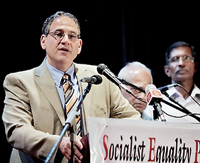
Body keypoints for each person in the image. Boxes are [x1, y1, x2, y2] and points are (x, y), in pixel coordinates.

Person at [2, 11, 141, 163]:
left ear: (79, 45)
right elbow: (16, 130)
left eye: (72, 36)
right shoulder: (20, 82)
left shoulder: (100, 78)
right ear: (43, 41)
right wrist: (58, 143)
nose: (65, 40)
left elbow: (132, 120)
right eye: (58, 34)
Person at [162, 41, 200, 123]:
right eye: (175, 59)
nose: (181, 63)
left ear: (195, 67)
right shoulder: (157, 101)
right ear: (167, 70)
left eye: (186, 58)